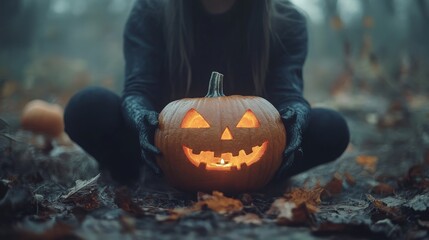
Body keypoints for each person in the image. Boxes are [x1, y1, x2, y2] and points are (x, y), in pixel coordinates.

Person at [64, 0, 350, 185]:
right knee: (88, 107)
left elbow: (288, 92)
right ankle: (137, 174)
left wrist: (297, 116)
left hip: (253, 151)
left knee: (330, 128)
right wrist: (141, 119)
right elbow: (139, 88)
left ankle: (255, 179)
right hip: (160, 148)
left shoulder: (286, 20)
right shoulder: (151, 10)